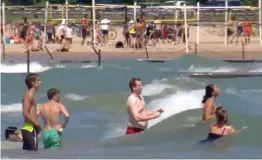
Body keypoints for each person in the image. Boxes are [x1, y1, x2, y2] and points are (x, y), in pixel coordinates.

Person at [21, 73, 42, 151]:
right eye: (38, 80)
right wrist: (37, 125)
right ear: (33, 82)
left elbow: (29, 112)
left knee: (28, 156)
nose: (40, 82)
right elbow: (25, 113)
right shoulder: (29, 95)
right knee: (34, 154)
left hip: (29, 128)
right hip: (29, 129)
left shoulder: (32, 95)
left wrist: (37, 113)